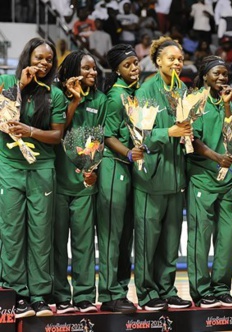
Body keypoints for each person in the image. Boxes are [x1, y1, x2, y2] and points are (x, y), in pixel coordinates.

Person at [0, 38, 67, 318]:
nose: (44, 63)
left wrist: (30, 131)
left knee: (41, 234)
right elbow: (2, 119)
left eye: (49, 59)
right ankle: (17, 294)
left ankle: (39, 295)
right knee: (12, 233)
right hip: (10, 167)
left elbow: (57, 136)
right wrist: (20, 88)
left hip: (42, 169)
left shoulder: (55, 93)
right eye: (39, 57)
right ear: (27, 56)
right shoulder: (6, 82)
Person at [133, 36, 193, 311]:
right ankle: (146, 293)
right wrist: (168, 133)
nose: (177, 63)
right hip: (152, 178)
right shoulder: (146, 90)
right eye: (172, 58)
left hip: (177, 177)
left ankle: (167, 288)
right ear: (158, 61)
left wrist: (187, 135)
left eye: (180, 59)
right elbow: (140, 135)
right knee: (148, 240)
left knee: (170, 241)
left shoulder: (184, 90)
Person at [54, 50, 106, 314]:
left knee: (84, 244)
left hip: (86, 183)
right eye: (86, 68)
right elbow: (58, 131)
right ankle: (62, 296)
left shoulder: (101, 99)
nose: (92, 73)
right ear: (73, 69)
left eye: (95, 69)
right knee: (58, 245)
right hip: (57, 181)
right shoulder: (56, 97)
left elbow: (100, 140)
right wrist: (73, 101)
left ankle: (84, 296)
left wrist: (92, 168)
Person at [187, 56, 232, 308]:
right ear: (205, 75)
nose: (222, 78)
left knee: (227, 237)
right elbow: (191, 139)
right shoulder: (195, 100)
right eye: (217, 73)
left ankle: (221, 289)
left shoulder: (226, 102)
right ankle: (201, 291)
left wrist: (228, 106)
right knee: (200, 237)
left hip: (227, 180)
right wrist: (216, 157)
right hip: (202, 177)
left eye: (225, 74)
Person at [97, 44, 143, 313]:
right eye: (128, 65)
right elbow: (107, 135)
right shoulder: (115, 97)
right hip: (114, 167)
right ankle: (109, 294)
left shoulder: (137, 93)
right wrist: (129, 153)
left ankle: (121, 291)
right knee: (113, 235)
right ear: (116, 70)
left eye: (136, 63)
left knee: (125, 236)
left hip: (130, 169)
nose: (134, 68)